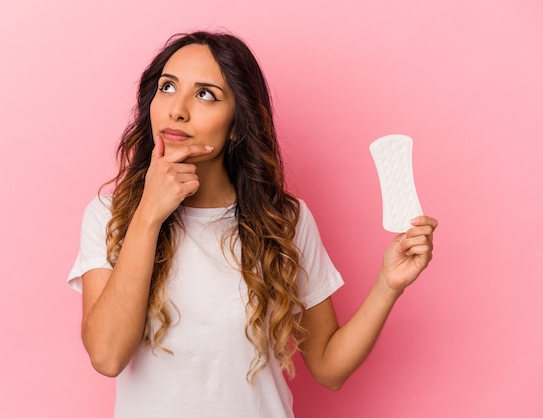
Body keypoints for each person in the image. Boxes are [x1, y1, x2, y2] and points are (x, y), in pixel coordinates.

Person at [67, 30, 438, 418]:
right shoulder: (110, 215)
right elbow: (107, 356)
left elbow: (329, 368)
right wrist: (148, 215)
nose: (177, 109)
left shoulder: (285, 222)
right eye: (167, 86)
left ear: (236, 124)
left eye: (205, 94)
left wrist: (387, 285)